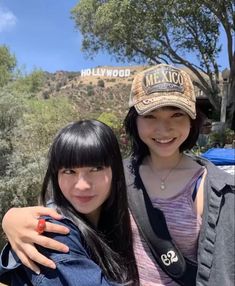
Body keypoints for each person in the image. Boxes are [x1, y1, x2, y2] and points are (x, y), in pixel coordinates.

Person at [1, 64, 234, 286]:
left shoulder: (219, 189)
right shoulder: (115, 174)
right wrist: (12, 219)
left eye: (176, 115)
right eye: (150, 116)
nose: (163, 128)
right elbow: (67, 209)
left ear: (192, 120)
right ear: (135, 121)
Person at [0, 120, 139, 285]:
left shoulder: (111, 220)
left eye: (95, 169)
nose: (82, 185)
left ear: (115, 170)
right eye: (69, 171)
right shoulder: (53, 235)